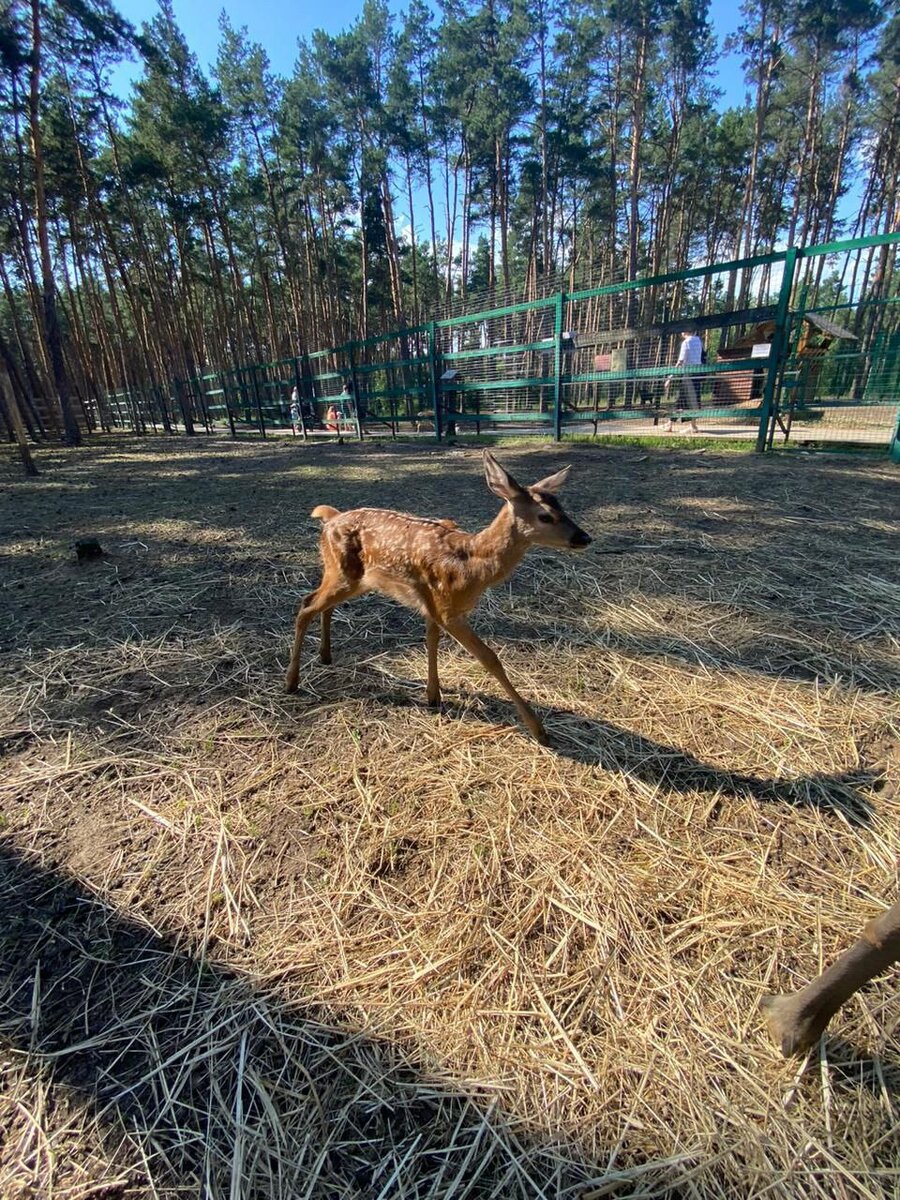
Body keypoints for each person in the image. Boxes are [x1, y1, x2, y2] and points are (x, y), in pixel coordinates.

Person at [665, 329, 703, 434]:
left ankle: (670, 424)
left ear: (684, 332)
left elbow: (680, 361)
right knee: (694, 399)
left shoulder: (686, 342)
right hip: (697, 373)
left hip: (688, 375)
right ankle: (692, 425)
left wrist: (670, 378)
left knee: (680, 400)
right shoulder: (699, 341)